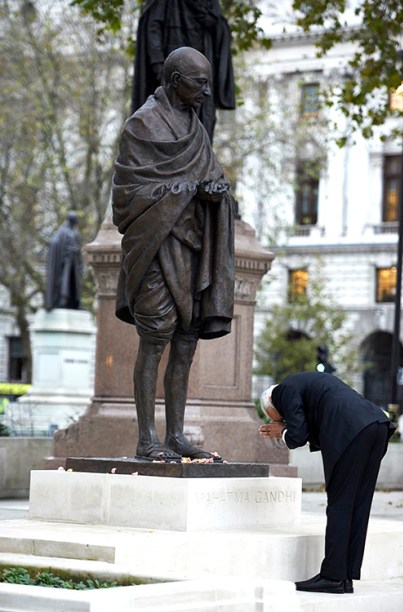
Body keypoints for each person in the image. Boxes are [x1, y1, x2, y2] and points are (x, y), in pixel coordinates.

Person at [112, 47, 235, 462]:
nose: (206, 90)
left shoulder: (197, 129)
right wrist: (185, 190)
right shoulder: (142, 124)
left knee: (185, 343)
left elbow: (212, 175)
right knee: (155, 338)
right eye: (199, 83)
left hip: (192, 247)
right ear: (175, 79)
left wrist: (217, 193)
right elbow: (127, 199)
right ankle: (147, 439)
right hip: (155, 249)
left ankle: (176, 435)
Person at [259, 371, 395, 594]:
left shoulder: (283, 391)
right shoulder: (307, 386)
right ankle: (344, 576)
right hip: (376, 425)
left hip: (352, 430)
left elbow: (298, 436)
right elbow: (314, 427)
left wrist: (282, 431)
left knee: (340, 505)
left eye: (276, 417)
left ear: (271, 403)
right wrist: (286, 429)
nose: (279, 420)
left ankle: (332, 577)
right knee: (357, 504)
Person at [132, 0, 236, 141]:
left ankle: (200, 160)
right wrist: (160, 68)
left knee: (204, 124)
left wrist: (214, 23)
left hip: (202, 72)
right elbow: (152, 26)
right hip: (173, 73)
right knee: (167, 128)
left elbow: (220, 25)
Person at [45, 211, 83, 311]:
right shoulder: (63, 230)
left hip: (75, 258)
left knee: (75, 280)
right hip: (67, 258)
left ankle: (75, 301)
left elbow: (78, 245)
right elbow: (54, 241)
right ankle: (63, 299)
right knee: (65, 279)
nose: (76, 221)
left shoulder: (75, 231)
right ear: (71, 220)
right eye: (75, 219)